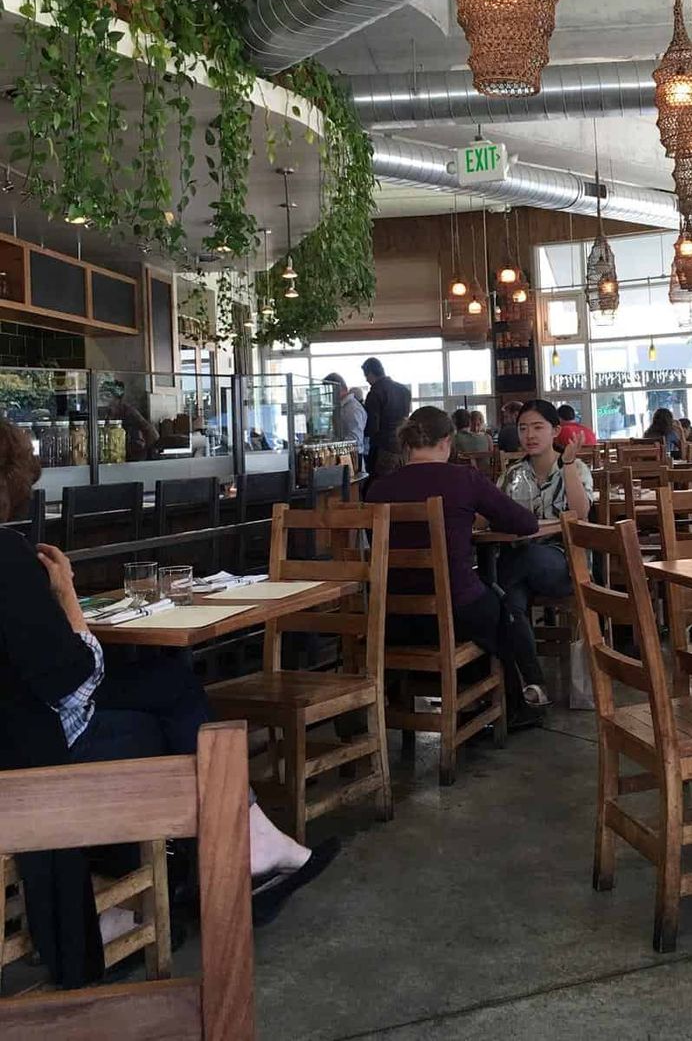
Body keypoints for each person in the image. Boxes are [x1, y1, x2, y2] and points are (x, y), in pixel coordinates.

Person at [0, 421, 331, 985]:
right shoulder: (7, 556)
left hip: (13, 728)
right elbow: (70, 680)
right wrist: (68, 600)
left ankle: (173, 874)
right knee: (167, 731)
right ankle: (162, 882)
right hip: (23, 760)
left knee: (167, 684)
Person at [366, 407, 543, 728]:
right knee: (503, 612)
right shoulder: (464, 479)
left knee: (488, 606)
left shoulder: (378, 490)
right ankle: (516, 704)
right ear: (447, 441)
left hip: (392, 619)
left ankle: (465, 699)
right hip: (455, 613)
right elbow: (526, 523)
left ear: (408, 443)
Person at [498, 400, 595, 706]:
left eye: (538, 427)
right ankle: (536, 685)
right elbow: (491, 514)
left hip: (563, 565)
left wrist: (567, 464)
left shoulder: (575, 467)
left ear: (555, 430)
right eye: (523, 428)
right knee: (509, 602)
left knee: (503, 575)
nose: (530, 434)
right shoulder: (512, 474)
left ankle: (490, 585)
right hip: (521, 566)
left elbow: (580, 514)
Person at [362, 358, 412, 480]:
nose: (366, 380)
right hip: (404, 446)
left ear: (370, 373)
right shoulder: (404, 390)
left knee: (383, 486)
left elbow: (373, 426)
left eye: (366, 376)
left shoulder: (375, 392)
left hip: (384, 449)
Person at [105, 380, 159, 461]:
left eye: (108, 395)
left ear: (116, 397)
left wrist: (142, 452)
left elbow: (153, 434)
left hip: (131, 459)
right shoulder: (105, 412)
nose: (104, 398)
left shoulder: (129, 411)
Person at [323, 372, 367, 463]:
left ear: (337, 389)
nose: (328, 396)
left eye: (328, 392)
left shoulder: (352, 409)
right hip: (346, 456)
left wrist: (333, 445)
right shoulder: (342, 407)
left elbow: (355, 440)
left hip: (352, 458)